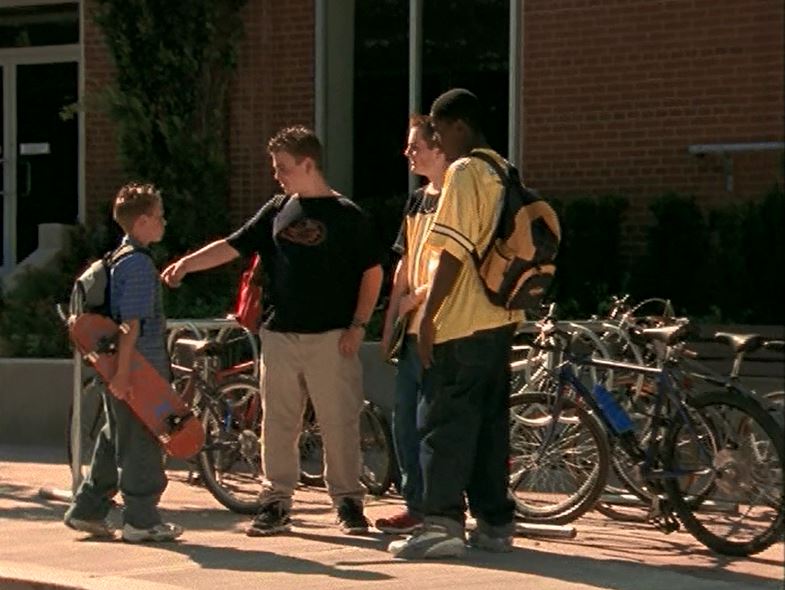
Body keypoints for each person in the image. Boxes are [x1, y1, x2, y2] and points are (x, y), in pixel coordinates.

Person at [161, 125, 384, 536]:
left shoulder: (348, 215)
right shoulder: (277, 210)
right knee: (278, 423)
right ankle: (276, 501)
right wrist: (188, 264)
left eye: (283, 167)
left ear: (308, 164)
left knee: (339, 422)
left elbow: (373, 273)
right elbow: (233, 245)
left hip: (332, 338)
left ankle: (348, 502)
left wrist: (358, 325)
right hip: (280, 335)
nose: (276, 175)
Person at [389, 89, 522, 559]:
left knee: (442, 426)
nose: (438, 141)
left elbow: (452, 252)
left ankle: (441, 524)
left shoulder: (465, 171)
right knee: (488, 430)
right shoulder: (502, 168)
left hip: (460, 324)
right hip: (499, 319)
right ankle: (495, 524)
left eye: (441, 131)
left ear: (460, 126)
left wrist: (429, 318)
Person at [64, 183, 183, 543]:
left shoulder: (117, 258)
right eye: (160, 216)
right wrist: (123, 374)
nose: (164, 222)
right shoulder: (139, 265)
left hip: (118, 366)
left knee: (114, 436)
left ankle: (87, 510)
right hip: (138, 369)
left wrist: (115, 371)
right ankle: (141, 521)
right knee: (144, 440)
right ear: (143, 221)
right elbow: (131, 324)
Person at [375, 115, 448, 534]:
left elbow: (453, 262)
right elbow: (402, 265)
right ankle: (415, 504)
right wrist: (390, 324)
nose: (408, 153)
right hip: (411, 331)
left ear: (439, 148)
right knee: (405, 420)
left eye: (415, 146)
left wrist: (418, 298)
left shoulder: (457, 198)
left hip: (442, 330)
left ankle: (439, 506)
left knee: (434, 424)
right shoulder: (417, 201)